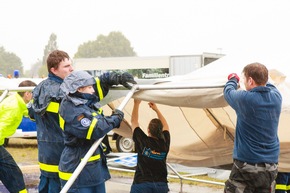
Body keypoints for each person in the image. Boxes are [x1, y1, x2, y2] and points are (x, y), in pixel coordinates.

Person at [28, 50, 136, 193]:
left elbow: (31, 115)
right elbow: (89, 93)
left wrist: (111, 78)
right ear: (53, 70)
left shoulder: (39, 89)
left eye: (71, 65)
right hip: (69, 160)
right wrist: (113, 78)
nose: (71, 69)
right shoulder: (67, 93)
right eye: (66, 66)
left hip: (47, 158)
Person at [58, 70, 124, 192]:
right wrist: (115, 119)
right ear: (79, 89)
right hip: (77, 171)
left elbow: (100, 87)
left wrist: (114, 77)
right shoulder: (72, 109)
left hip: (92, 170)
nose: (93, 90)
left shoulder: (85, 102)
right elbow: (95, 129)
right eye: (89, 87)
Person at [223, 62, 282, 193]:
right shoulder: (276, 97)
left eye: (244, 79)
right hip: (271, 168)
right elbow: (270, 85)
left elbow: (228, 92)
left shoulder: (245, 99)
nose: (243, 82)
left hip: (247, 167)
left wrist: (233, 78)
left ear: (250, 80)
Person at [0, 80, 37, 193]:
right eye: (34, 94)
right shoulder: (13, 108)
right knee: (14, 175)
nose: (35, 97)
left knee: (13, 174)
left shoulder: (16, 101)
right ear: (27, 94)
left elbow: (27, 112)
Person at [130, 99, 170, 193]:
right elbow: (166, 126)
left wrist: (136, 103)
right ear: (161, 131)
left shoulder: (142, 141)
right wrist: (156, 109)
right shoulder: (164, 143)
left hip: (142, 185)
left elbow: (134, 121)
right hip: (161, 186)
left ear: (148, 130)